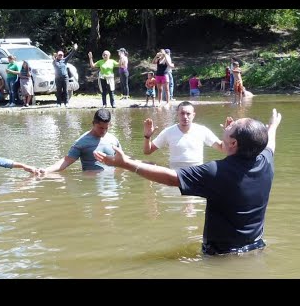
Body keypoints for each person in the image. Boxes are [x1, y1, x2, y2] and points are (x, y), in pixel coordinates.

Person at [94, 108, 282, 256]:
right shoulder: (266, 161)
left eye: (230, 129)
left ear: (233, 144)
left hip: (220, 255)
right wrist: (272, 128)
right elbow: (270, 144)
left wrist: (127, 164)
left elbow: (169, 177)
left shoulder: (216, 171)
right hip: (257, 248)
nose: (226, 127)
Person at [143, 101, 223, 169]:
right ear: (177, 114)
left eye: (188, 114)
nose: (185, 117)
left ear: (193, 115)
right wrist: (147, 137)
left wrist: (230, 135)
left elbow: (222, 148)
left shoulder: (202, 130)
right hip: (175, 173)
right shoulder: (168, 132)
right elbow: (147, 151)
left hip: (196, 173)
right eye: (182, 113)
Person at [41, 108, 121, 173]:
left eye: (106, 128)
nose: (103, 131)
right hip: (91, 186)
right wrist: (46, 170)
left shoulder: (113, 140)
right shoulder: (81, 142)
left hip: (111, 189)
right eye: (100, 128)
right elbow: (67, 161)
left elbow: (122, 160)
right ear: (93, 123)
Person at [53, 43, 78, 107]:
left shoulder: (65, 60)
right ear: (57, 55)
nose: (60, 56)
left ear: (63, 55)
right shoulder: (55, 61)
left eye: (61, 55)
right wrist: (55, 57)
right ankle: (58, 103)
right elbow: (53, 60)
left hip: (65, 77)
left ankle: (66, 102)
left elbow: (71, 55)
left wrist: (74, 49)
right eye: (59, 55)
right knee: (58, 91)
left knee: (65, 90)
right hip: (58, 78)